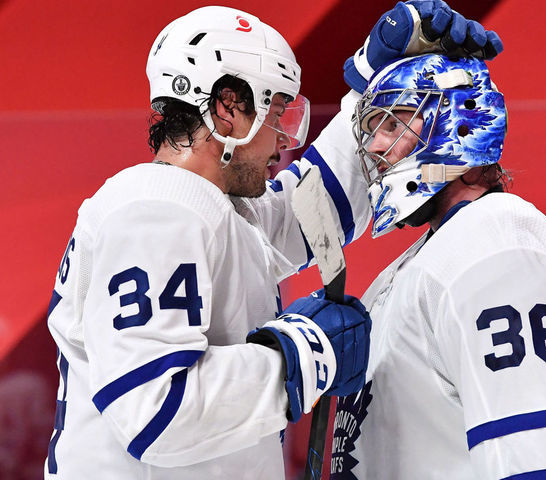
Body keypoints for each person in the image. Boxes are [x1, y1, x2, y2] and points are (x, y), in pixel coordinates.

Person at [43, 3, 502, 479]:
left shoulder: (211, 209)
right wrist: (306, 350)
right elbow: (154, 413)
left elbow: (313, 209)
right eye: (279, 111)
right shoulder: (155, 211)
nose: (286, 139)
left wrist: (376, 76)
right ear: (228, 108)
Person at [323, 53, 546, 479]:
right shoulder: (421, 261)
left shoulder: (494, 240)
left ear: (457, 124)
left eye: (392, 124)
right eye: (372, 131)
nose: (374, 148)